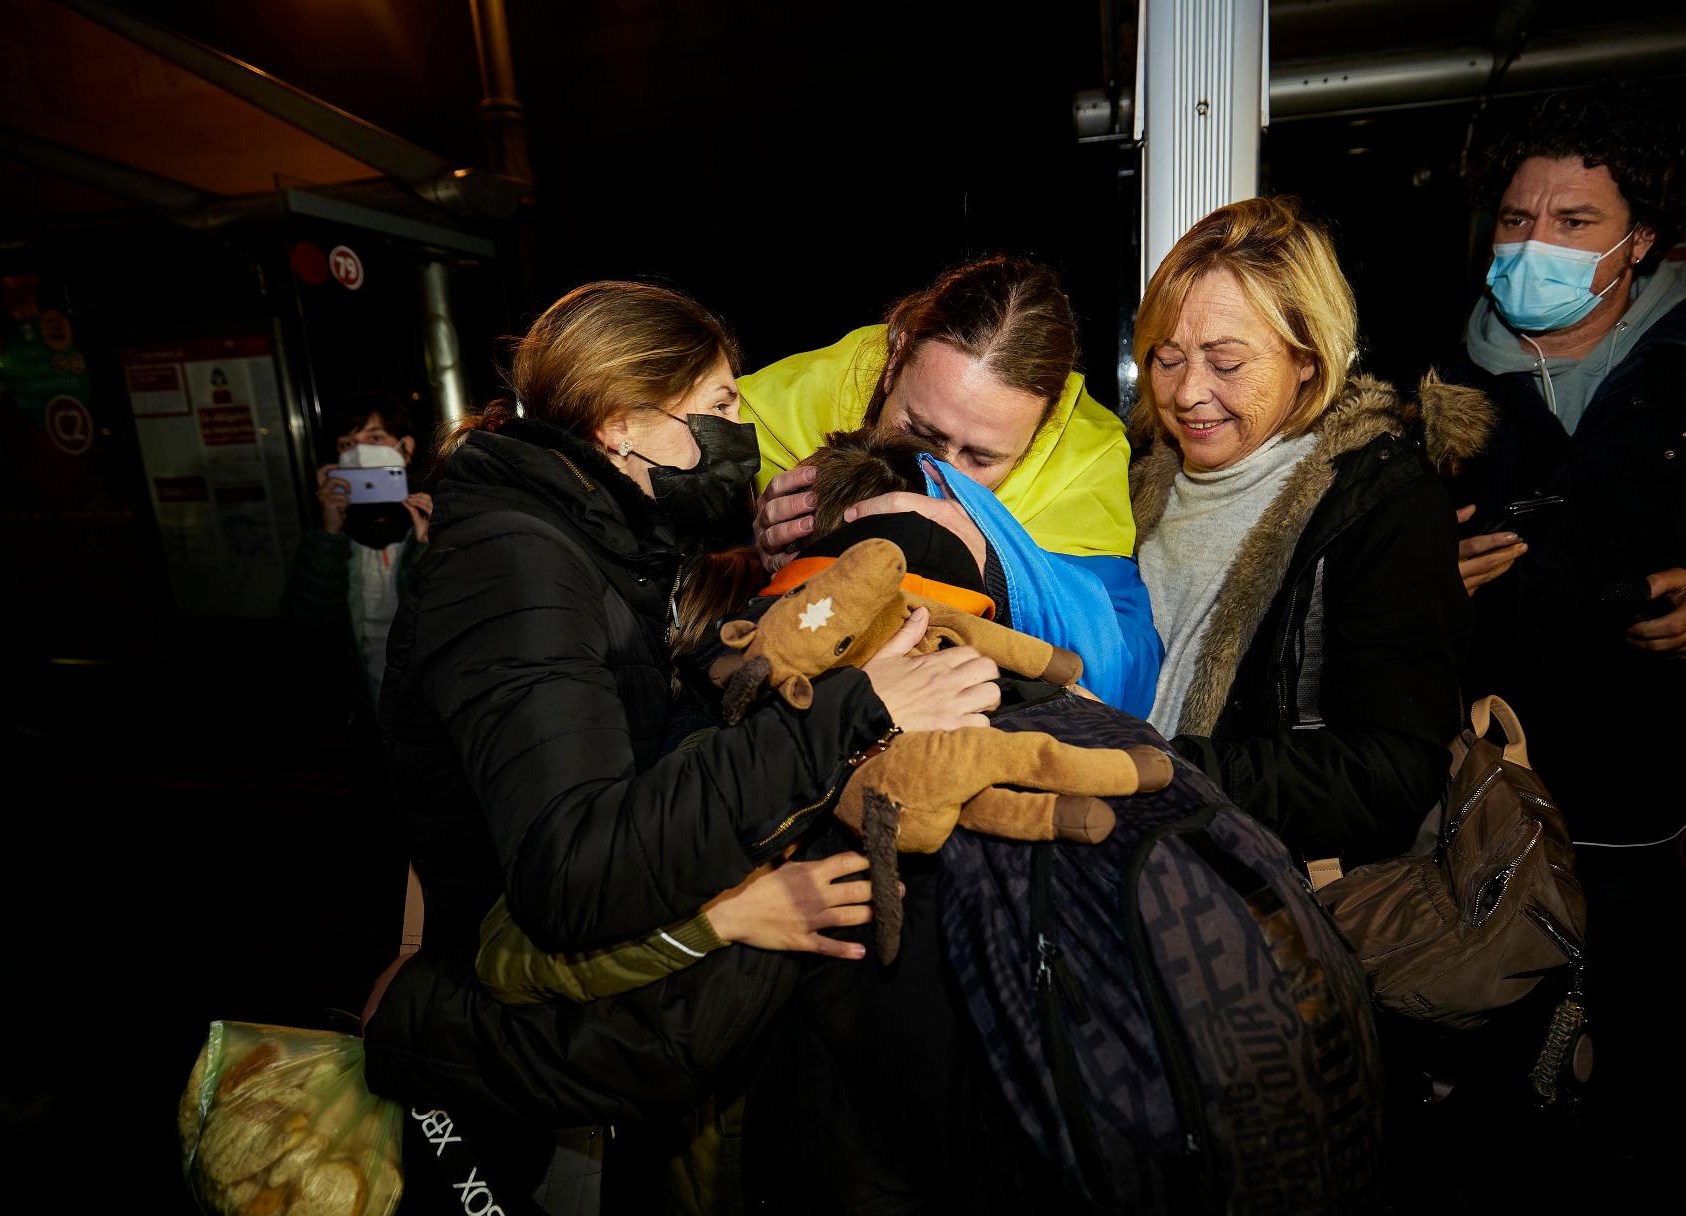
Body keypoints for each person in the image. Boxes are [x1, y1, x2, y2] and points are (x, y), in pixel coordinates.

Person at [356, 282, 1001, 1199]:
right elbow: (574, 870)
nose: (743, 432)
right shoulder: (517, 561)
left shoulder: (601, 546)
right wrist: (852, 710)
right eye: (721, 406)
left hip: (571, 1016)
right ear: (624, 425)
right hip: (518, 1042)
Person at [1434, 81, 1686, 1206]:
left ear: (1641, 241)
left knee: (1655, 1101)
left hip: (1665, 828)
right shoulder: (1428, 395)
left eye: (1575, 225)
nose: (1538, 247)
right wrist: (1428, 590)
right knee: (1486, 1108)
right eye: (1519, 221)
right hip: (1475, 822)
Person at [1130, 196, 1473, 869]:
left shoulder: (1378, 504)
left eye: (1226, 364)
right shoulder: (1132, 480)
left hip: (1261, 894)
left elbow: (1394, 770)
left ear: (1309, 358)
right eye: (1166, 359)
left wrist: (1167, 773)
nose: (1188, 393)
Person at [741, 255, 1163, 714]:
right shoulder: (778, 410)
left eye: (982, 458)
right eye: (920, 434)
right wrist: (750, 552)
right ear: (895, 360)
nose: (941, 473)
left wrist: (1001, 567)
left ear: (1043, 428)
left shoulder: (1083, 460)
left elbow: (1128, 680)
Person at [281, 393, 434, 717]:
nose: (360, 453)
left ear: (405, 449)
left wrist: (428, 546)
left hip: (428, 717)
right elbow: (309, 624)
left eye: (375, 438)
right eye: (347, 445)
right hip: (369, 713)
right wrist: (329, 534)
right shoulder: (332, 540)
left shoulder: (434, 521)